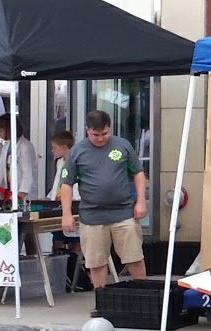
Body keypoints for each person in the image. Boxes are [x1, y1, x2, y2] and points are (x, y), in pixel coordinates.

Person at [56, 110, 147, 288]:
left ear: (109, 128)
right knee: (96, 261)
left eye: (104, 134)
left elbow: (138, 173)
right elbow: (67, 184)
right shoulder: (77, 152)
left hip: (124, 212)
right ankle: (100, 296)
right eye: (95, 135)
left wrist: (141, 201)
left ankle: (143, 293)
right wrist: (66, 214)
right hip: (92, 216)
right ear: (87, 130)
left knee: (134, 256)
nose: (100, 139)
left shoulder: (123, 145)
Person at [0, 114, 41, 201]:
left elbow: (27, 173)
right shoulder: (7, 146)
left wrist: (21, 194)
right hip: (11, 193)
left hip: (24, 196)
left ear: (9, 130)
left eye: (0, 131)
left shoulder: (25, 147)